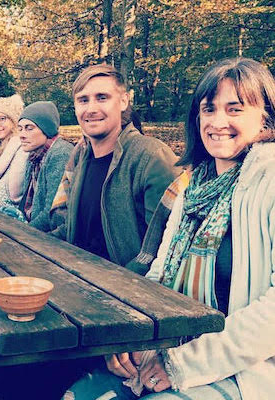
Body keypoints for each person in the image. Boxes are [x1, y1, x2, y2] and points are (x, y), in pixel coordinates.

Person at [64, 57, 275, 400]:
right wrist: (129, 336)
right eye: (208, 110)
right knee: (79, 395)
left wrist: (180, 365)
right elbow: (159, 274)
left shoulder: (269, 179)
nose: (218, 121)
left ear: (264, 115)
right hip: (170, 346)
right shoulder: (193, 188)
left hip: (242, 371)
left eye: (234, 109)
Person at [49, 64, 180, 273]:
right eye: (83, 100)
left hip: (125, 293)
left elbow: (164, 247)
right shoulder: (81, 157)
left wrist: (116, 285)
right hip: (75, 278)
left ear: (123, 101)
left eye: (102, 97)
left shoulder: (152, 157)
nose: (91, 109)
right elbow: (72, 228)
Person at [15, 101, 73, 231]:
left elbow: (51, 214)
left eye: (29, 128)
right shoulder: (34, 155)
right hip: (30, 226)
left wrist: (22, 232)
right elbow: (25, 204)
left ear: (47, 129)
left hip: (49, 238)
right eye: (20, 128)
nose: (22, 135)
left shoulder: (61, 154)